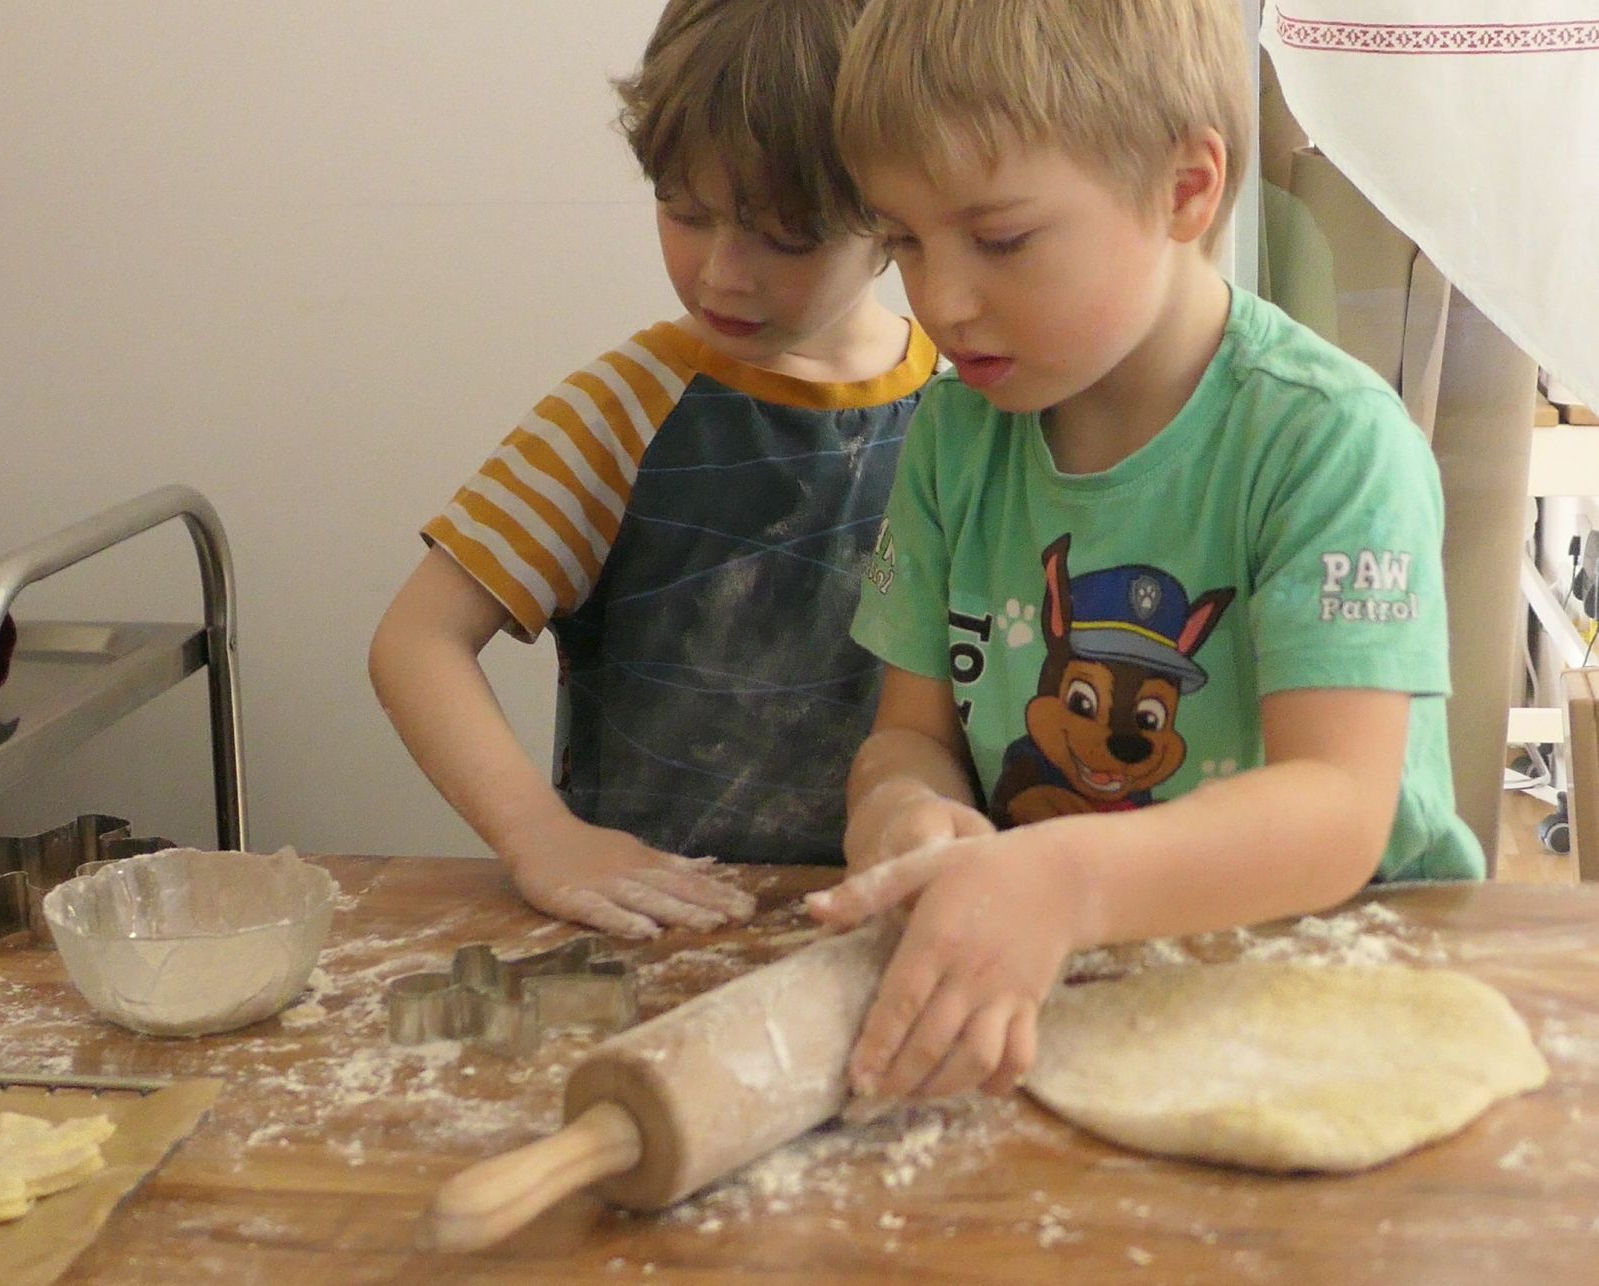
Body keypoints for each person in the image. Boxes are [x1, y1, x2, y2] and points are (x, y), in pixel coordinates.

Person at [804, 0, 1484, 1108]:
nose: (939, 301)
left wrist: (1061, 883)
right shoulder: (954, 439)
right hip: (1074, 987)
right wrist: (903, 814)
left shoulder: (1326, 442)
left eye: (1001, 238)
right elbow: (910, 735)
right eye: (903, 242)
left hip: (1341, 981)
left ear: (1184, 190)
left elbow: (1337, 808)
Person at [369, 0, 938, 939]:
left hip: (890, 923)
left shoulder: (965, 412)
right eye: (686, 213)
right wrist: (539, 836)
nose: (721, 273)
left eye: (787, 235)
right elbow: (417, 641)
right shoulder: (627, 410)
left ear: (894, 215)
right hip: (657, 925)